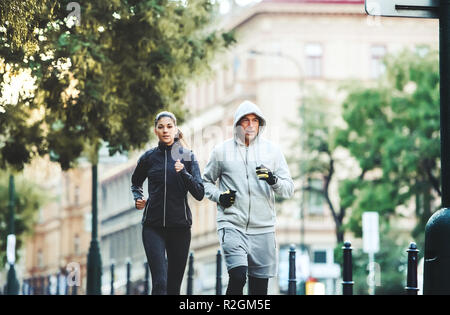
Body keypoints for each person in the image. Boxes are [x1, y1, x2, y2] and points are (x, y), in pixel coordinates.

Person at [203, 100, 294, 295]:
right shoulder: (221, 152)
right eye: (245, 120)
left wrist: (273, 179)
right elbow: (205, 183)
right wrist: (220, 196)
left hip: (264, 229)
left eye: (255, 120)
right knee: (237, 277)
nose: (250, 125)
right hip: (232, 224)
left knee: (259, 291)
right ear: (237, 124)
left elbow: (288, 189)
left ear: (260, 124)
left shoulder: (273, 152)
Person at [131, 111, 204, 295]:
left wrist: (184, 173)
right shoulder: (148, 158)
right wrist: (138, 197)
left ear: (176, 128)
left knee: (173, 288)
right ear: (155, 131)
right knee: (160, 284)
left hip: (180, 228)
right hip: (153, 227)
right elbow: (136, 182)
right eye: (161, 127)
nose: (165, 130)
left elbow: (199, 192)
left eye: (169, 126)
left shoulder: (187, 156)